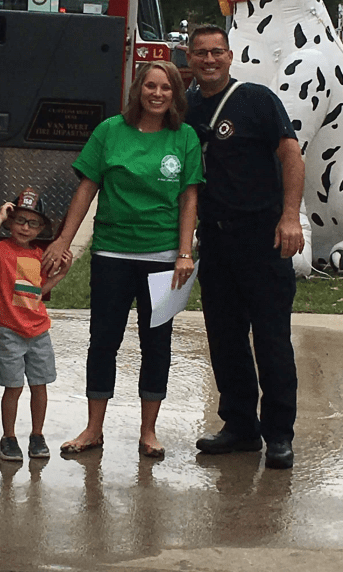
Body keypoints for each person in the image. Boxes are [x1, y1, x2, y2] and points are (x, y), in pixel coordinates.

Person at [42, 60, 203, 459]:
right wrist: (63, 240)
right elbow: (86, 188)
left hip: (165, 258)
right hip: (112, 252)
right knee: (104, 342)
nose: (158, 94)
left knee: (157, 344)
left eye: (166, 87)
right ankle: (93, 428)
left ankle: (148, 431)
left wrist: (185, 252)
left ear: (175, 94)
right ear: (139, 90)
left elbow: (189, 198)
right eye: (151, 86)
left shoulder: (184, 138)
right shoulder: (109, 131)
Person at [184, 24, 305, 469]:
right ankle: (239, 427)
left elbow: (291, 156)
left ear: (230, 56)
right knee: (225, 339)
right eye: (201, 53)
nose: (209, 60)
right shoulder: (188, 107)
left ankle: (278, 435)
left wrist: (290, 217)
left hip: (263, 237)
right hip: (215, 239)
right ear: (190, 57)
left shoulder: (257, 100)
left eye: (217, 52)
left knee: (272, 340)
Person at [0, 187, 73, 463]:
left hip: (38, 331)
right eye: (19, 220)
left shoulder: (39, 257)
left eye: (33, 223)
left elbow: (38, 292)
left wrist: (62, 273)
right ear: (10, 221)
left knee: (39, 385)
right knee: (14, 387)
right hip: (8, 331)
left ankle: (37, 435)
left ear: (41, 228)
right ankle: (8, 438)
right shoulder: (1, 250)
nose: (25, 227)